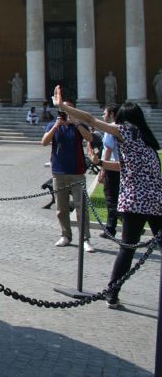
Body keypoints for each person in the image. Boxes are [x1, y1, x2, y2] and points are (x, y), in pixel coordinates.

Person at [61, 87, 162, 309]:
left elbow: (90, 119)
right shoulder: (147, 140)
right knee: (129, 249)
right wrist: (100, 164)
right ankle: (112, 292)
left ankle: (112, 292)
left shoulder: (126, 132)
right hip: (154, 202)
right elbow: (127, 166)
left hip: (136, 202)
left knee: (127, 249)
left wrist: (63, 107)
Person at [41, 103, 94, 251]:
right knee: (61, 208)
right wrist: (55, 126)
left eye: (68, 110)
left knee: (81, 207)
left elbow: (89, 138)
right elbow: (44, 142)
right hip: (59, 172)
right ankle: (65, 235)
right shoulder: (53, 124)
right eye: (62, 110)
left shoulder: (79, 125)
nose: (65, 113)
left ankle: (85, 238)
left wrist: (76, 123)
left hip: (77, 172)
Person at [97, 103, 122, 238]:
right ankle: (112, 227)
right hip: (122, 168)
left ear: (112, 114)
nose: (103, 116)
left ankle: (112, 228)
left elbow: (107, 150)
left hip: (111, 167)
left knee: (111, 199)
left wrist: (102, 170)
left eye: (105, 113)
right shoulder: (125, 128)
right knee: (119, 197)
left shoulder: (110, 129)